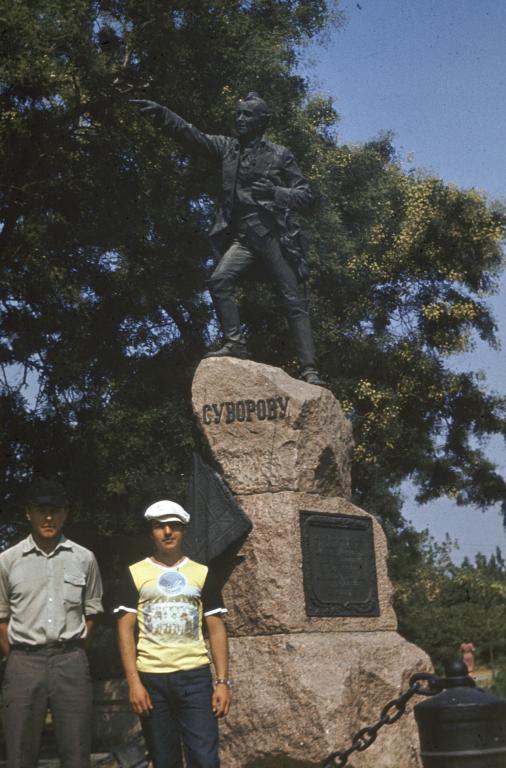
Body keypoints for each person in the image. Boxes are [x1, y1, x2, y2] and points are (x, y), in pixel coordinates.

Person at [131, 91, 323, 386]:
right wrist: (163, 112)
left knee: (293, 301)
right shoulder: (228, 148)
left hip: (273, 235)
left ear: (262, 122)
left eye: (247, 115)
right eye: (238, 114)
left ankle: (310, 370)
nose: (240, 119)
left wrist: (276, 193)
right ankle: (236, 343)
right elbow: (192, 135)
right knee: (219, 280)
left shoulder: (280, 154)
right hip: (244, 237)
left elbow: (308, 196)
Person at [115, 500, 231, 768]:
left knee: (204, 759)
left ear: (183, 530)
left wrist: (223, 683)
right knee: (164, 760)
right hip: (152, 680)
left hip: (195, 678)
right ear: (152, 532)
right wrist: (134, 683)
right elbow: (124, 629)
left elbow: (216, 628)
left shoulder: (201, 573)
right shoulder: (135, 573)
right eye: (159, 526)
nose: (167, 532)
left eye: (174, 526)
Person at [0, 478, 104, 768]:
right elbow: (1, 616)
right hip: (23, 662)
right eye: (41, 510)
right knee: (20, 751)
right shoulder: (7, 561)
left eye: (55, 510)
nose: (48, 517)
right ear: (28, 514)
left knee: (77, 750)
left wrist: (73, 649)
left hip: (70, 661)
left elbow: (93, 611)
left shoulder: (84, 558)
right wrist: (17, 656)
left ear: (65, 513)